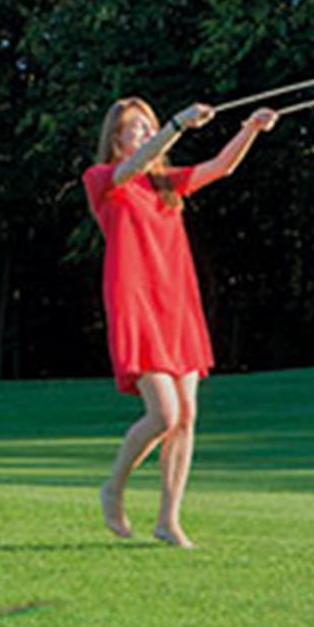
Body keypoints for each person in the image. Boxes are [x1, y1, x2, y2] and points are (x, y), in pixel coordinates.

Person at [83, 97, 278, 548]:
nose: (144, 134)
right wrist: (176, 124)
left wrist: (250, 129)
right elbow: (129, 167)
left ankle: (168, 521)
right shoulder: (103, 181)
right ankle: (113, 488)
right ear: (115, 138)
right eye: (135, 129)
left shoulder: (166, 184)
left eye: (147, 126)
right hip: (136, 302)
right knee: (163, 413)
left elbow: (220, 168)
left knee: (186, 417)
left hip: (176, 302)